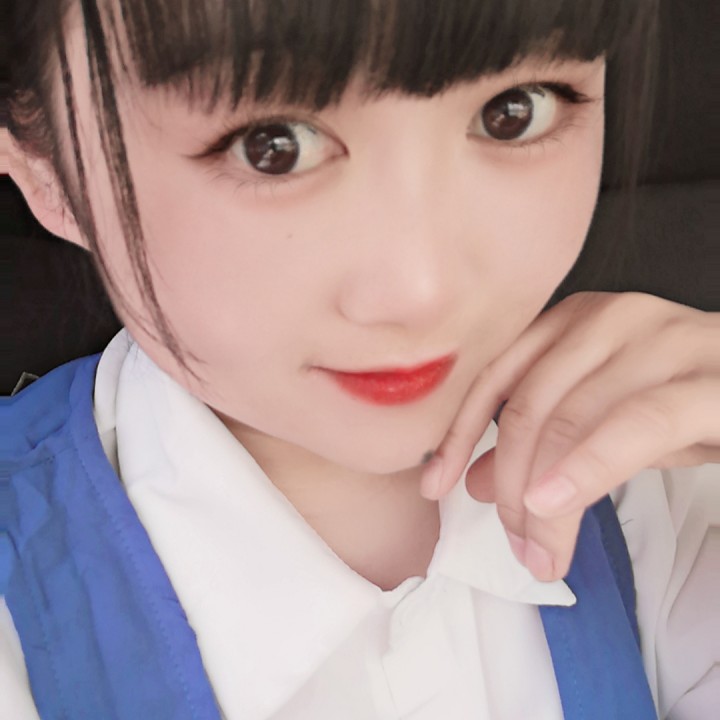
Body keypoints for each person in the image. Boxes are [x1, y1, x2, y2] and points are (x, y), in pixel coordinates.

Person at [2, 0, 717, 718]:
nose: (421, 292)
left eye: (513, 112)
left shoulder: (664, 485)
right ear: (46, 167)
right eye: (273, 147)